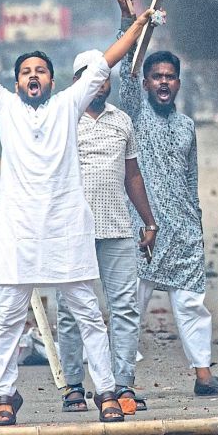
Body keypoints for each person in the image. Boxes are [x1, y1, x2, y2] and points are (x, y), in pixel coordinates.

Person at [0, 0, 152, 425]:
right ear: (16, 85)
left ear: (52, 81)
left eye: (41, 71)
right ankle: (6, 395)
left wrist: (136, 26)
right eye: (26, 72)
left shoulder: (68, 106)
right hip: (20, 231)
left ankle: (104, 390)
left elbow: (106, 61)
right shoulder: (6, 108)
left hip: (67, 227)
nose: (33, 76)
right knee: (10, 315)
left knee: (86, 310)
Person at [114, 0, 218, 399]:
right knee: (132, 309)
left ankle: (204, 377)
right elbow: (124, 71)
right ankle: (121, 382)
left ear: (178, 83)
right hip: (141, 232)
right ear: (146, 83)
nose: (163, 83)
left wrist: (197, 228)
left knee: (192, 306)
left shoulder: (186, 126)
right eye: (156, 77)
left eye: (170, 77)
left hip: (184, 233)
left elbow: (190, 181)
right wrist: (131, 20)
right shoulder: (134, 113)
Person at [55, 51, 160, 415]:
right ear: (76, 82)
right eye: (91, 77)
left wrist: (148, 221)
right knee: (70, 311)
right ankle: (73, 385)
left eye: (104, 77)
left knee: (124, 308)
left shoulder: (122, 122)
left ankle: (123, 384)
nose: (100, 83)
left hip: (117, 227)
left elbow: (133, 176)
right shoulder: (62, 119)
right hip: (72, 231)